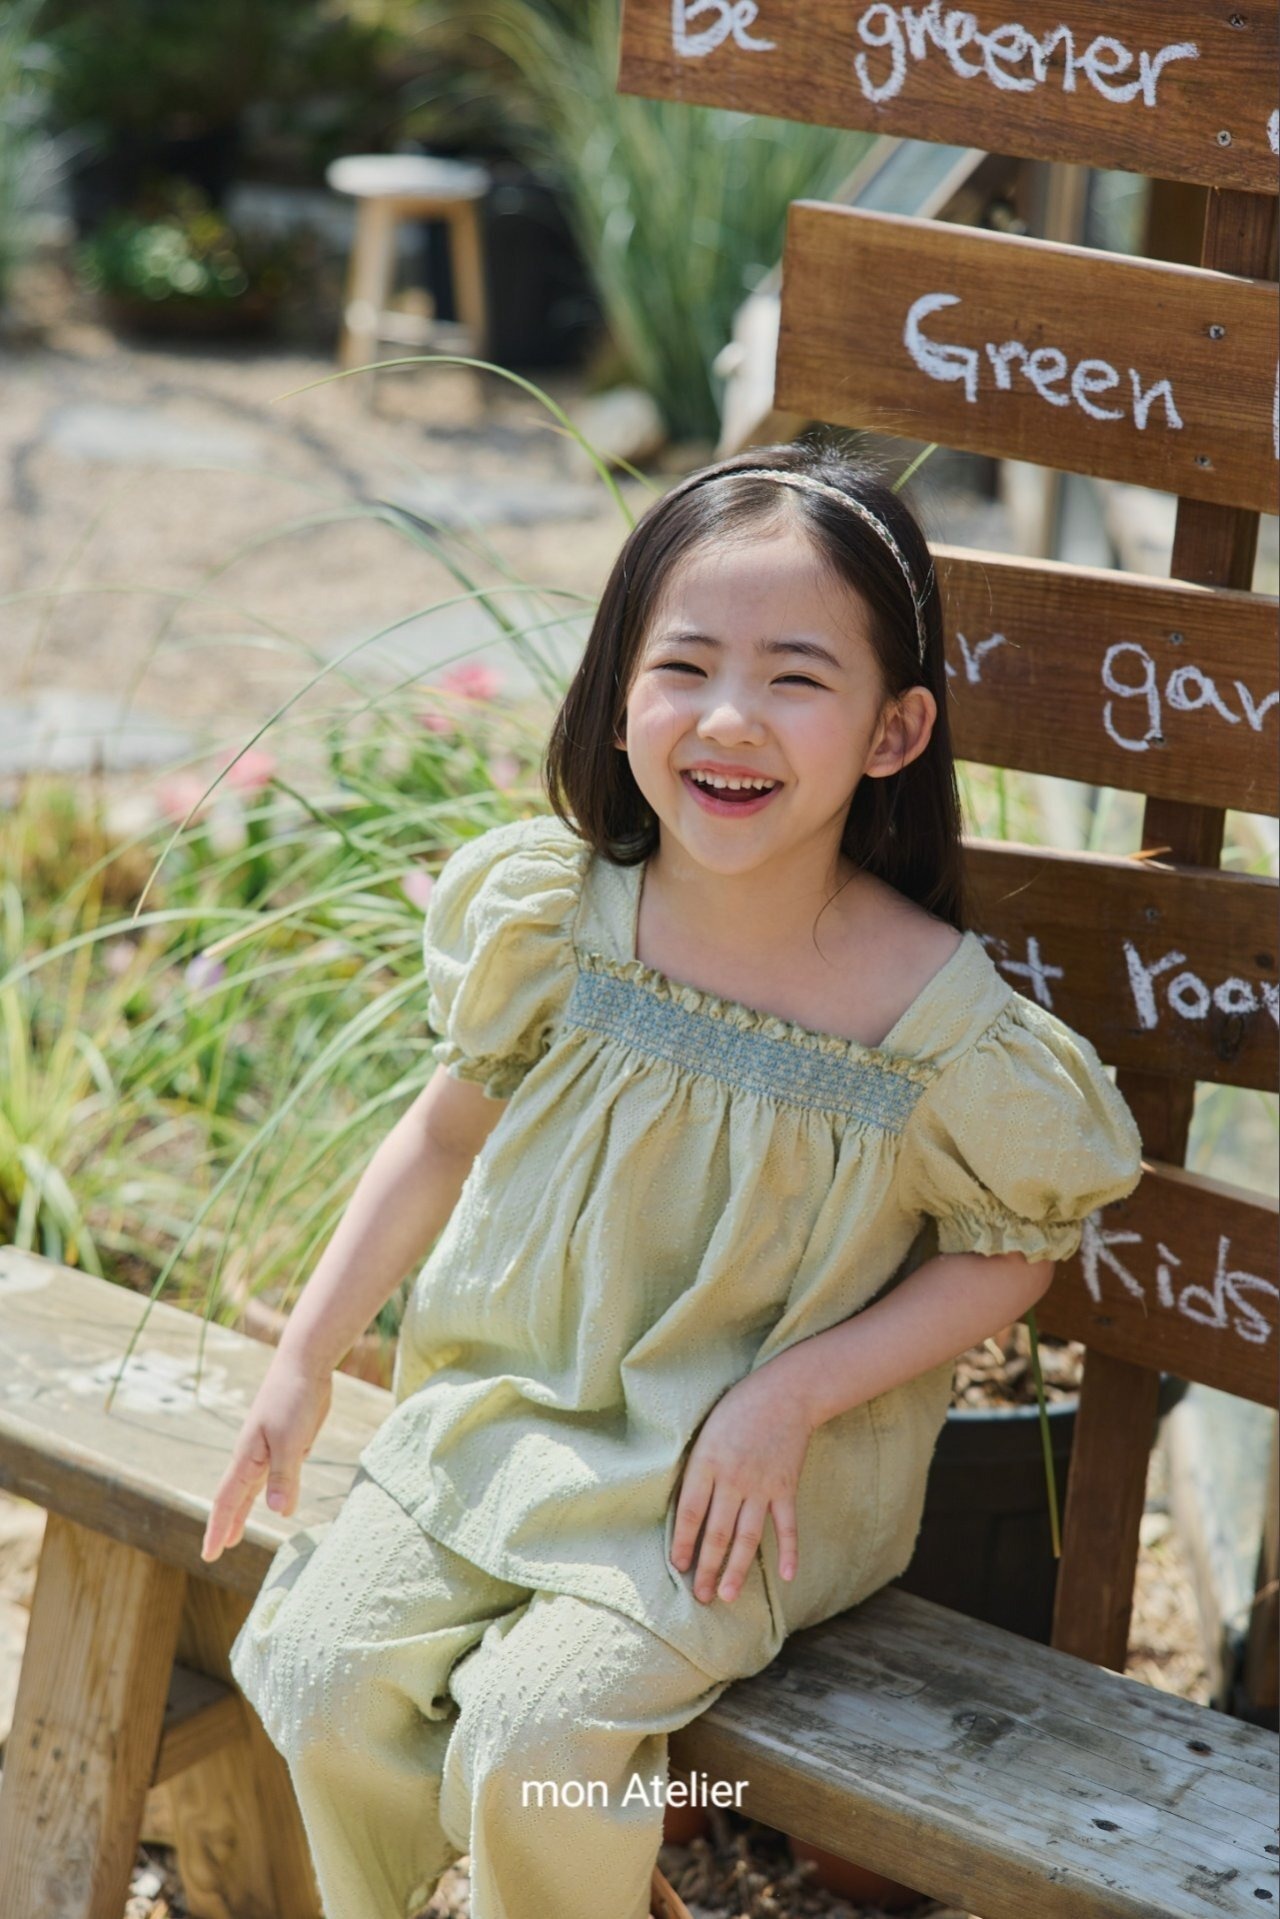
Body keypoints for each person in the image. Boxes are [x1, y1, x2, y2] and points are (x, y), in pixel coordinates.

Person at [203, 441, 1145, 1919]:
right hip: (511, 1411)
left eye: (795, 677)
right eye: (685, 665)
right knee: (321, 1674)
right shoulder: (561, 922)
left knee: (537, 1744)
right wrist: (306, 1357)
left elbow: (1010, 1254)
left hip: (738, 1481)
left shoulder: (935, 1024)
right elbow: (440, 1138)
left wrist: (791, 1396)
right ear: (618, 691)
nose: (728, 718)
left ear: (894, 730)